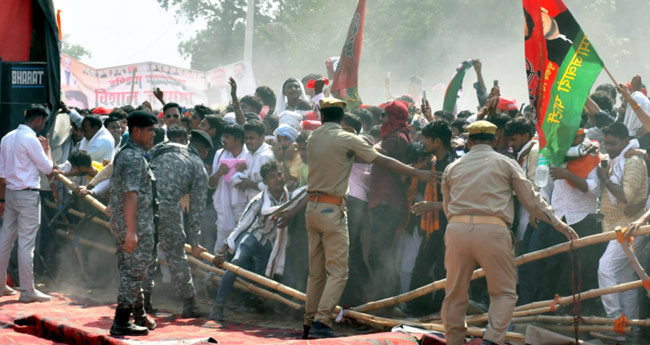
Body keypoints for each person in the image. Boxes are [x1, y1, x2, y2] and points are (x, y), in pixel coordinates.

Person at [302, 98, 435, 339]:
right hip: (333, 209)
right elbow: (381, 159)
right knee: (339, 271)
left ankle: (309, 321)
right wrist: (416, 172)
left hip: (312, 208)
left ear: (322, 117)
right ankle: (322, 322)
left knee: (317, 271)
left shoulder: (314, 137)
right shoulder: (346, 139)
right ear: (342, 118)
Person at [440, 120, 578, 345]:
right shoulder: (506, 163)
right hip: (494, 231)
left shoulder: (453, 167)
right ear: (495, 140)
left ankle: (454, 340)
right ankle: (492, 340)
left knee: (455, 293)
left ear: (469, 141)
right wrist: (557, 223)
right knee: (503, 293)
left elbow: (447, 206)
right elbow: (532, 201)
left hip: (456, 230)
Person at [210, 161, 293, 321]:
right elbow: (242, 225)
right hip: (253, 238)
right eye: (272, 177)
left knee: (264, 278)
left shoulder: (288, 196)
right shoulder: (259, 201)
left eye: (279, 174)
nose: (278, 179)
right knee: (235, 266)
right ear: (265, 182)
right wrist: (223, 250)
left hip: (270, 244)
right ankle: (217, 306)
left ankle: (263, 306)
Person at [147, 130, 212, 318]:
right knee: (176, 255)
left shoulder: (164, 146)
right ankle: (190, 304)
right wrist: (194, 241)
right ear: (204, 150)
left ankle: (143, 302)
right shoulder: (199, 167)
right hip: (167, 207)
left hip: (142, 202)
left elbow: (143, 164)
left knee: (146, 252)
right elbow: (196, 211)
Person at [0, 104, 58, 302]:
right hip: (27, 195)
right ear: (39, 120)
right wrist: (47, 150)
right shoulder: (30, 139)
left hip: (11, 194)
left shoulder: (7, 138)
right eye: (43, 122)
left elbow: (1, 174)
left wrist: (1, 198)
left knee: (5, 240)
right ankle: (27, 291)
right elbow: (48, 168)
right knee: (26, 244)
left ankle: (1, 285)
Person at [108, 110, 158, 336]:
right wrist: (131, 231)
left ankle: (138, 315)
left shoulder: (126, 152)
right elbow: (130, 194)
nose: (153, 135)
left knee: (132, 270)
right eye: (149, 130)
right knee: (134, 272)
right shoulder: (134, 157)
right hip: (133, 224)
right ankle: (121, 320)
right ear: (136, 131)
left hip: (125, 222)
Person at [597, 123, 647, 323]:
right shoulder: (617, 159)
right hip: (618, 226)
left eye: (613, 143)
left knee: (606, 268)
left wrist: (605, 180)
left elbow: (626, 196)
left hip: (629, 228)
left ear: (626, 141)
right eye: (606, 144)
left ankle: (615, 322)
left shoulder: (633, 161)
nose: (609, 148)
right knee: (625, 279)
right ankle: (630, 329)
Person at [208, 124, 250, 252]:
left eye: (227, 137)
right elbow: (211, 184)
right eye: (223, 136)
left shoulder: (249, 154)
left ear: (237, 140)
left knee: (242, 246)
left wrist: (243, 171)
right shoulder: (220, 154)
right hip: (223, 208)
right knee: (221, 244)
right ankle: (216, 271)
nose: (223, 140)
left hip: (244, 208)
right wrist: (219, 173)